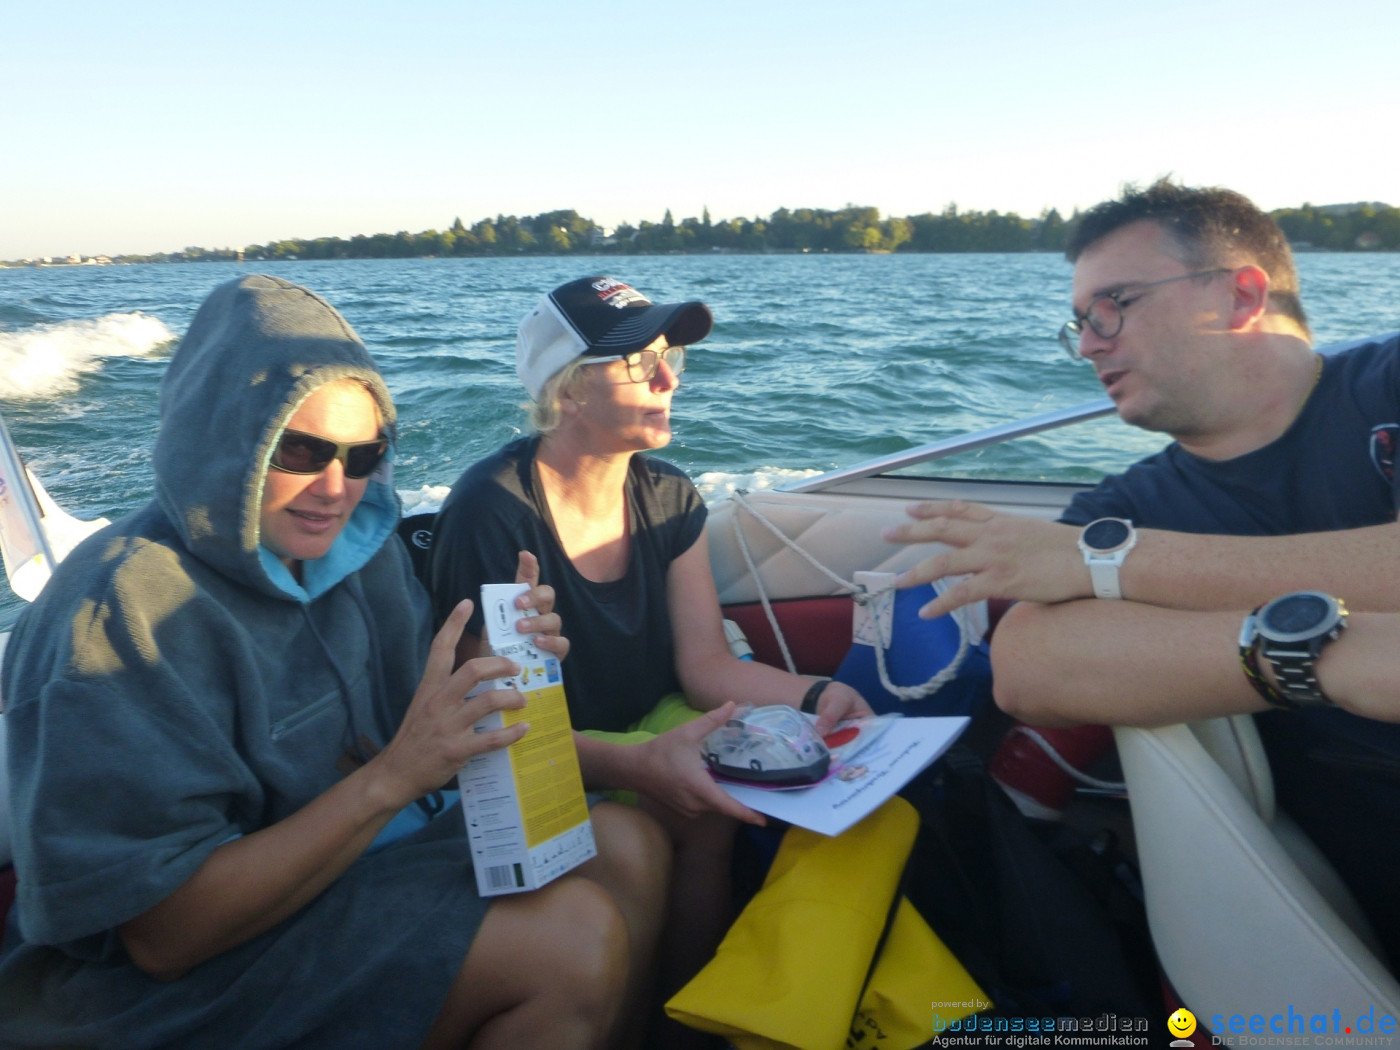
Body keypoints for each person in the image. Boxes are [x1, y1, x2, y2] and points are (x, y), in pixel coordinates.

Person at [0, 275, 669, 1050]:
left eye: (362, 456)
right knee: (569, 944)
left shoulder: (363, 559)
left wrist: (484, 674)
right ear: (223, 437)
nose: (335, 489)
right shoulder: (116, 620)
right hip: (153, 984)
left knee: (631, 844)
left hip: (356, 863)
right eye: (298, 451)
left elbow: (418, 733)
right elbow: (163, 937)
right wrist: (394, 777)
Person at [884, 179, 1400, 963]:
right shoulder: (1128, 502)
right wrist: (1324, 655)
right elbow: (1028, 669)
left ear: (1240, 296)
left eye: (1113, 305)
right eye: (1081, 323)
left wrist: (1116, 562)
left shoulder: (1386, 384)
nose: (1089, 343)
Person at [427, 275, 875, 1017]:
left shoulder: (668, 496)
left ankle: (692, 1018)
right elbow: (489, 723)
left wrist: (822, 698)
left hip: (654, 714)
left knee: (780, 784)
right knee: (668, 818)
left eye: (671, 358)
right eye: (640, 363)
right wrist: (636, 762)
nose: (669, 379)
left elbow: (704, 667)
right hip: (543, 745)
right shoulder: (493, 510)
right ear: (568, 392)